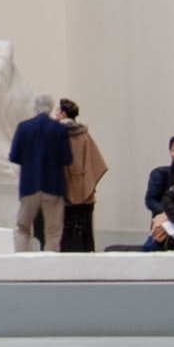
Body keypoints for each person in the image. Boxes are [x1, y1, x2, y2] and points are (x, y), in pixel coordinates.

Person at [7, 93, 73, 253]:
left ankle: (22, 263)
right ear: (50, 108)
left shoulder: (24, 127)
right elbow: (67, 158)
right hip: (53, 185)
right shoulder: (60, 129)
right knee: (53, 231)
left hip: (29, 185)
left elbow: (14, 156)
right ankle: (49, 269)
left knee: (23, 227)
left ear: (34, 107)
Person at [58, 98, 109, 254]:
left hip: (65, 186)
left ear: (63, 113)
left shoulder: (57, 133)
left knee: (66, 233)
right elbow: (97, 162)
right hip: (84, 187)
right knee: (84, 232)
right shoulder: (84, 135)